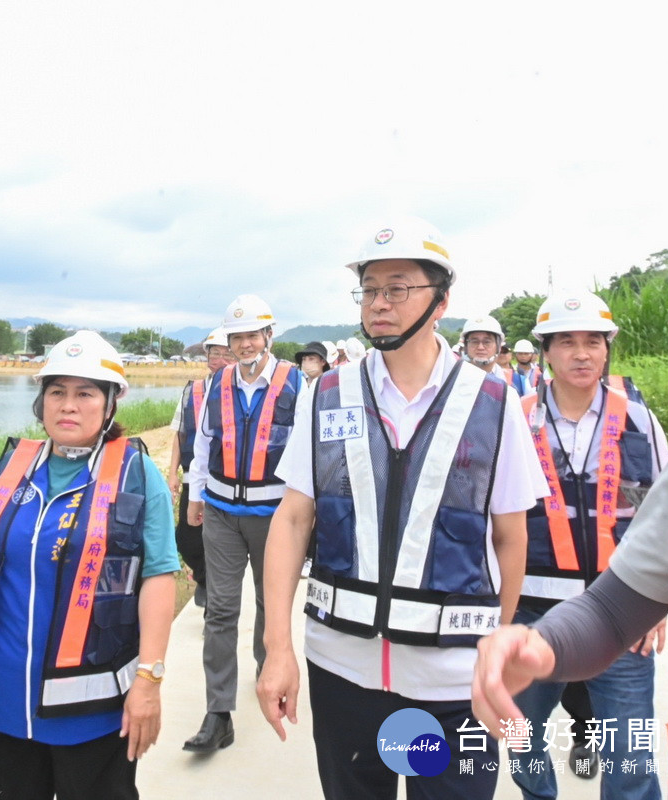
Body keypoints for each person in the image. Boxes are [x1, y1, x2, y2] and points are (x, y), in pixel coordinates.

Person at [255, 216, 546, 800]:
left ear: (440, 301)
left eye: (397, 288)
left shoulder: (493, 403)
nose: (378, 303)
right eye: (369, 290)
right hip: (342, 670)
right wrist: (278, 647)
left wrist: (498, 645)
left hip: (451, 683)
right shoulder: (328, 393)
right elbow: (292, 519)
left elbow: (511, 538)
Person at [0, 330, 179, 800]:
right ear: (40, 402)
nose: (68, 405)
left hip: (92, 709)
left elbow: (158, 578)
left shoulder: (136, 474)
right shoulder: (6, 470)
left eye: (85, 393)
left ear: (109, 406)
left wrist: (149, 679)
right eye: (56, 392)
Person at [505, 290, 668, 800]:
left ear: (607, 349)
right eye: (568, 342)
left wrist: (655, 606)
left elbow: (666, 519)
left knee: (631, 756)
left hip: (619, 608)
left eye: (593, 342)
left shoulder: (639, 419)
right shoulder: (515, 418)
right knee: (521, 737)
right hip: (530, 609)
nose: (582, 353)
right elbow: (492, 521)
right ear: (545, 352)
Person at [472, 445, 668, 796]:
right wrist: (541, 640)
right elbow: (611, 610)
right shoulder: (523, 416)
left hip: (623, 631)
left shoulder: (633, 414)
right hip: (541, 611)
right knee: (526, 739)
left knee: (629, 758)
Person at [183, 294, 301, 754]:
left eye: (253, 335)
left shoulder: (296, 383)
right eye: (238, 337)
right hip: (220, 511)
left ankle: (266, 668)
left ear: (269, 336)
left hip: (273, 516)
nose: (246, 344)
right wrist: (195, 498)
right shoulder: (217, 383)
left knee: (269, 603)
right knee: (221, 609)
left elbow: (308, 454)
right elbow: (203, 441)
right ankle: (218, 713)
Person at [168, 327, 237, 609]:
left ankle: (213, 594)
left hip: (225, 477)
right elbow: (179, 433)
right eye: (214, 353)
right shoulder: (193, 390)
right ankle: (204, 578)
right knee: (187, 537)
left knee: (219, 538)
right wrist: (173, 472)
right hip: (193, 477)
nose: (218, 359)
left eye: (225, 354)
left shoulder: (240, 391)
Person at [461, 315, 514, 385]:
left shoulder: (512, 381)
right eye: (474, 342)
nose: (480, 347)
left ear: (499, 346)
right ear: (466, 346)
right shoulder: (452, 378)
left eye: (487, 342)